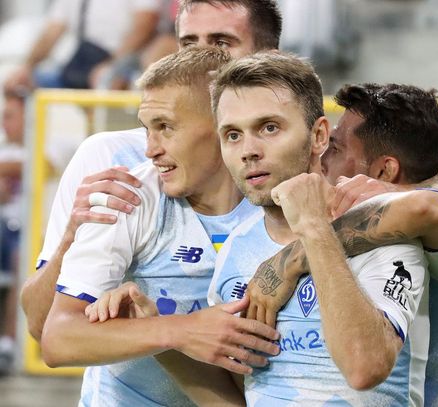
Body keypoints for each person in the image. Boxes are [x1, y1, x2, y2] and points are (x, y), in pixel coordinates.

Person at [241, 83, 438, 405]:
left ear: (385, 170)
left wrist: (288, 261)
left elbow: (425, 207)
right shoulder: (425, 209)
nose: (321, 158)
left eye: (336, 148)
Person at [40, 47, 282, 407]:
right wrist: (180, 330)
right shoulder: (128, 198)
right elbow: (58, 338)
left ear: (221, 126)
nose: (150, 149)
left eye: (165, 127)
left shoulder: (279, 203)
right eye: (147, 128)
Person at [206, 51, 428, 405]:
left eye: (269, 128)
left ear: (319, 136)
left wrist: (312, 228)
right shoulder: (235, 247)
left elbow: (365, 367)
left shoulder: (382, 233)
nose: (248, 150)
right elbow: (242, 386)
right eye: (232, 135)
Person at [4, 0, 160, 91]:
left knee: (106, 79)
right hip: (83, 62)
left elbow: (145, 25)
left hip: (126, 61)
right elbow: (52, 32)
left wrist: (112, 65)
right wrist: (26, 67)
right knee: (19, 85)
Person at [0, 89, 27, 374]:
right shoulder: (4, 149)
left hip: (31, 231)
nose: (3, 123)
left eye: (9, 116)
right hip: (3, 227)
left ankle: (7, 345)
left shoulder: (48, 142)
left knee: (23, 256)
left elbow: (31, 166)